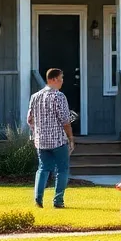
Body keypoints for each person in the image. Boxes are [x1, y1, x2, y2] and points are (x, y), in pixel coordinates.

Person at [26, 67, 74, 209]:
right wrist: (70, 138)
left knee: (43, 169)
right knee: (62, 169)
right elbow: (65, 121)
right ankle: (58, 201)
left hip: (41, 140)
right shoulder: (59, 96)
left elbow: (29, 119)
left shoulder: (35, 96)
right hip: (58, 140)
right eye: (60, 78)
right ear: (53, 79)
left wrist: (36, 133)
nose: (62, 82)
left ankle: (38, 198)